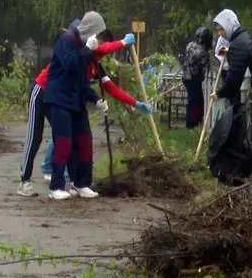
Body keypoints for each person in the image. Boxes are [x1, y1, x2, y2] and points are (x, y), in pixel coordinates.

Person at [17, 20, 132, 196]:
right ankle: (25, 180)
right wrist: (124, 42)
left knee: (66, 139)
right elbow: (81, 58)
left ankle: (72, 180)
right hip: (42, 91)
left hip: (62, 98)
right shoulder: (70, 44)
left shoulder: (89, 57)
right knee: (35, 137)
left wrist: (133, 103)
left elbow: (107, 84)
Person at [37, 29, 154, 184]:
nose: (103, 54)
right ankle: (50, 169)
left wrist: (136, 103)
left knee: (68, 134)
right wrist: (123, 43)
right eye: (102, 48)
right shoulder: (83, 52)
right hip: (47, 90)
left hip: (68, 97)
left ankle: (68, 175)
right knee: (62, 134)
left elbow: (112, 89)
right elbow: (101, 48)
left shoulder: (95, 64)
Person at [44, 11, 106, 200]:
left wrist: (95, 99)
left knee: (84, 141)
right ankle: (56, 186)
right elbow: (70, 63)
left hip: (75, 101)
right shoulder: (67, 40)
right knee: (64, 142)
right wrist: (86, 50)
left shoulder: (83, 48)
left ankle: (82, 183)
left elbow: (82, 81)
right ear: (90, 29)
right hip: (59, 99)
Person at [211, 9, 252, 104]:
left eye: (222, 29)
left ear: (229, 25)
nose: (220, 34)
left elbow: (233, 79)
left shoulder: (238, 44)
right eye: (218, 30)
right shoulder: (247, 36)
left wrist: (219, 94)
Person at [181, 27, 213, 129]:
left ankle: (194, 123)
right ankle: (192, 124)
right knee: (195, 102)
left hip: (185, 77)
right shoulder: (203, 53)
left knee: (194, 100)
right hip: (194, 79)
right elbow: (204, 70)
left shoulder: (190, 45)